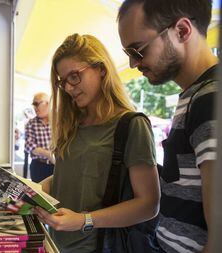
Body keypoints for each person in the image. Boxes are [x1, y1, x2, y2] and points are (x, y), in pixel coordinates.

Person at [34, 34, 160, 253]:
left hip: (99, 247)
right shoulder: (71, 123)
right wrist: (33, 189)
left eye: (74, 76)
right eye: (63, 82)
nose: (69, 88)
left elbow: (148, 205)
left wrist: (85, 220)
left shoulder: (131, 125)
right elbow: (71, 174)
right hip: (56, 243)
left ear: (101, 68)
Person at [117, 1, 217, 252]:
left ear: (182, 31)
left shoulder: (210, 98)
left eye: (137, 51)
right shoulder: (194, 96)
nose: (133, 64)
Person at [24, 92, 54, 182]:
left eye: (37, 104)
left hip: (57, 167)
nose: (35, 107)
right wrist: (48, 154)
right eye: (33, 104)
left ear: (48, 103)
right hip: (38, 167)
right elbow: (29, 145)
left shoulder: (58, 122)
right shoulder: (31, 123)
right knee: (39, 194)